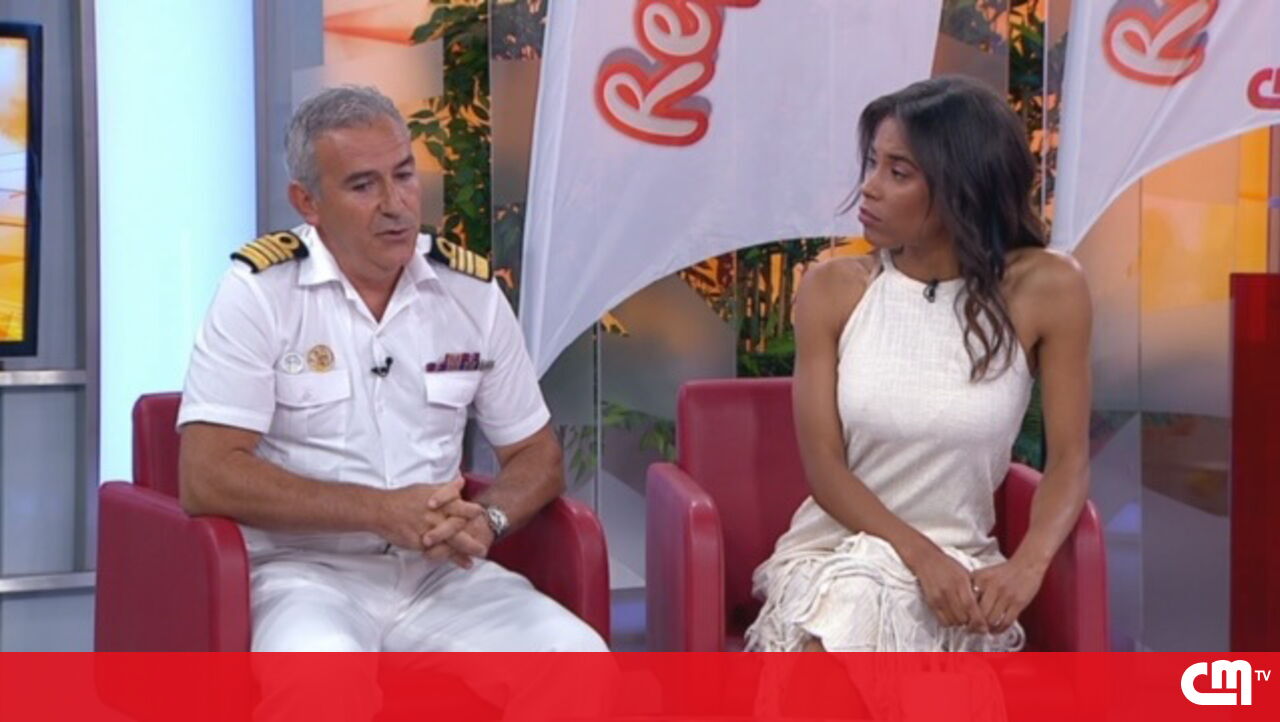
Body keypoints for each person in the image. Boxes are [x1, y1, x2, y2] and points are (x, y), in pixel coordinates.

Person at [176, 85, 608, 658]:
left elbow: (536, 453)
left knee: (575, 657)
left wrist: (488, 519)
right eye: (363, 185)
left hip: (441, 573)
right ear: (307, 202)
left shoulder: (469, 292)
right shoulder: (259, 293)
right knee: (322, 671)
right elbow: (207, 476)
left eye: (404, 175)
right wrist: (379, 512)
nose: (395, 203)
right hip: (302, 573)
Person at [745, 75, 1092, 653]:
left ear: (963, 186)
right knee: (856, 602)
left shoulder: (1048, 288)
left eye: (898, 172)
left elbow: (1070, 459)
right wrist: (919, 557)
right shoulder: (833, 289)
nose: (870, 187)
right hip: (836, 553)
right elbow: (824, 467)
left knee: (881, 624)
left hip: (962, 567)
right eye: (873, 163)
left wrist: (1026, 567)